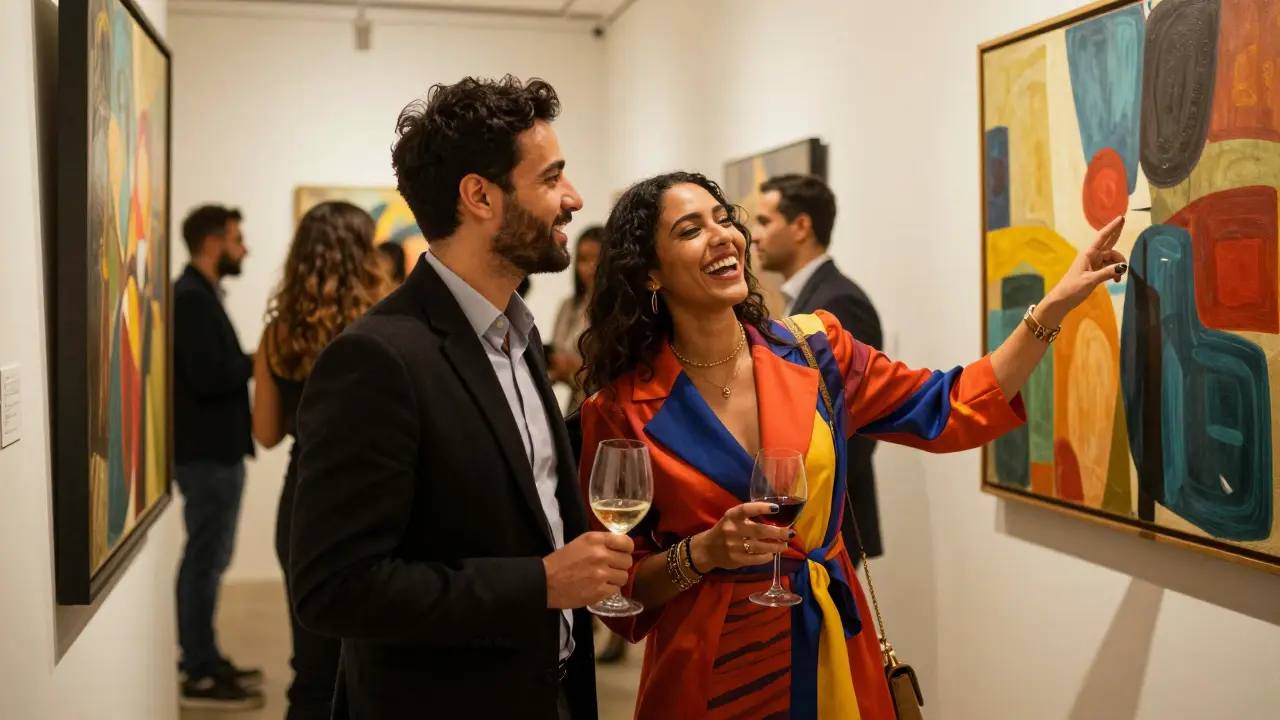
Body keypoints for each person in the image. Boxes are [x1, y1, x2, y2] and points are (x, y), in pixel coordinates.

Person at [576, 171, 1128, 719]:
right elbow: (617, 586)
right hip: (712, 671)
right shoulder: (620, 409)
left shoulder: (816, 349)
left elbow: (949, 403)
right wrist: (700, 553)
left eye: (725, 220)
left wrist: (1053, 305)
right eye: (690, 230)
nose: (723, 236)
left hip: (830, 648)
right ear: (651, 272)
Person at [288, 75, 632, 720]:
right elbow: (334, 588)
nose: (574, 198)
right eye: (551, 177)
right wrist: (541, 583)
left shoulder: (519, 336)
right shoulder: (376, 359)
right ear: (479, 196)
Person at [253, 201, 393, 720]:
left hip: (305, 499)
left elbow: (266, 435)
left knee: (312, 672)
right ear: (364, 255)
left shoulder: (278, 335)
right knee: (378, 665)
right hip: (381, 499)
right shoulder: (391, 325)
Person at [752, 173, 886, 561]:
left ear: (801, 226)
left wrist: (806, 508)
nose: (754, 236)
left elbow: (855, 422)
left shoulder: (840, 302)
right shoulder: (806, 297)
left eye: (764, 221)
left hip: (827, 525)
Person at [172, 204, 264, 710]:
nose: (243, 248)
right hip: (205, 455)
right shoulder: (190, 297)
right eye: (236, 239)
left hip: (214, 452)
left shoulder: (198, 293)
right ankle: (199, 668)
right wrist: (258, 359)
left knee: (211, 559)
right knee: (204, 561)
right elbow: (208, 376)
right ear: (212, 243)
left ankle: (204, 657)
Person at [549, 225, 602, 415]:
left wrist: (572, 369)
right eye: (583, 259)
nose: (590, 267)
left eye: (597, 259)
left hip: (603, 407)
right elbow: (555, 356)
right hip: (575, 408)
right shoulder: (569, 305)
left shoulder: (616, 310)